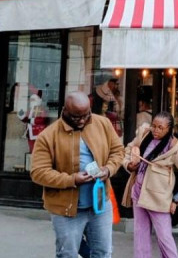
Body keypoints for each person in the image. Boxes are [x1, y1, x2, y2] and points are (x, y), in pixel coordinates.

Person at [30, 91, 125, 258]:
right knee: (68, 254)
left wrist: (108, 169)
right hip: (66, 210)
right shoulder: (48, 135)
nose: (81, 120)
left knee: (103, 253)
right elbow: (38, 172)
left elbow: (118, 151)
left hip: (100, 204)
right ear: (65, 110)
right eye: (76, 117)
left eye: (86, 116)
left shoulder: (102, 123)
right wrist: (72, 179)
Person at [122, 111, 178, 258]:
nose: (156, 130)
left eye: (161, 127)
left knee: (164, 237)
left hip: (159, 197)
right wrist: (129, 164)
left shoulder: (174, 147)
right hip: (138, 192)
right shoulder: (144, 135)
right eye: (154, 126)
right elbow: (129, 149)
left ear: (170, 129)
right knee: (140, 234)